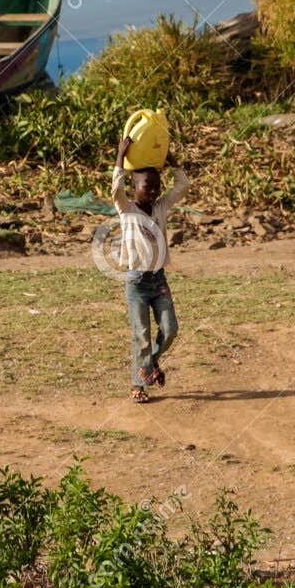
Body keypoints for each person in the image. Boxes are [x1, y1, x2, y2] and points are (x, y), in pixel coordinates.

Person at [112, 133, 189, 404]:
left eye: (157, 186)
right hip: (136, 284)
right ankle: (138, 384)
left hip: (158, 281)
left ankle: (151, 363)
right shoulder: (126, 209)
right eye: (148, 186)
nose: (154, 191)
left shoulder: (161, 207)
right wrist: (121, 156)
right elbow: (115, 189)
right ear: (135, 188)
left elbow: (182, 185)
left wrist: (170, 159)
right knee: (141, 335)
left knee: (170, 330)